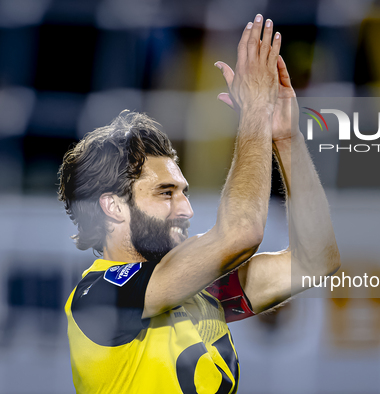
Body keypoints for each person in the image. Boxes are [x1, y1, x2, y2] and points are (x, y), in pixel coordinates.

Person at [59, 14, 340, 394]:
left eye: (183, 192)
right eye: (165, 193)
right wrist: (255, 111)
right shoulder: (101, 296)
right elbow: (242, 233)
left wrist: (286, 138)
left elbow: (315, 262)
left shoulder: (198, 293)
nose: (186, 210)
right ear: (113, 207)